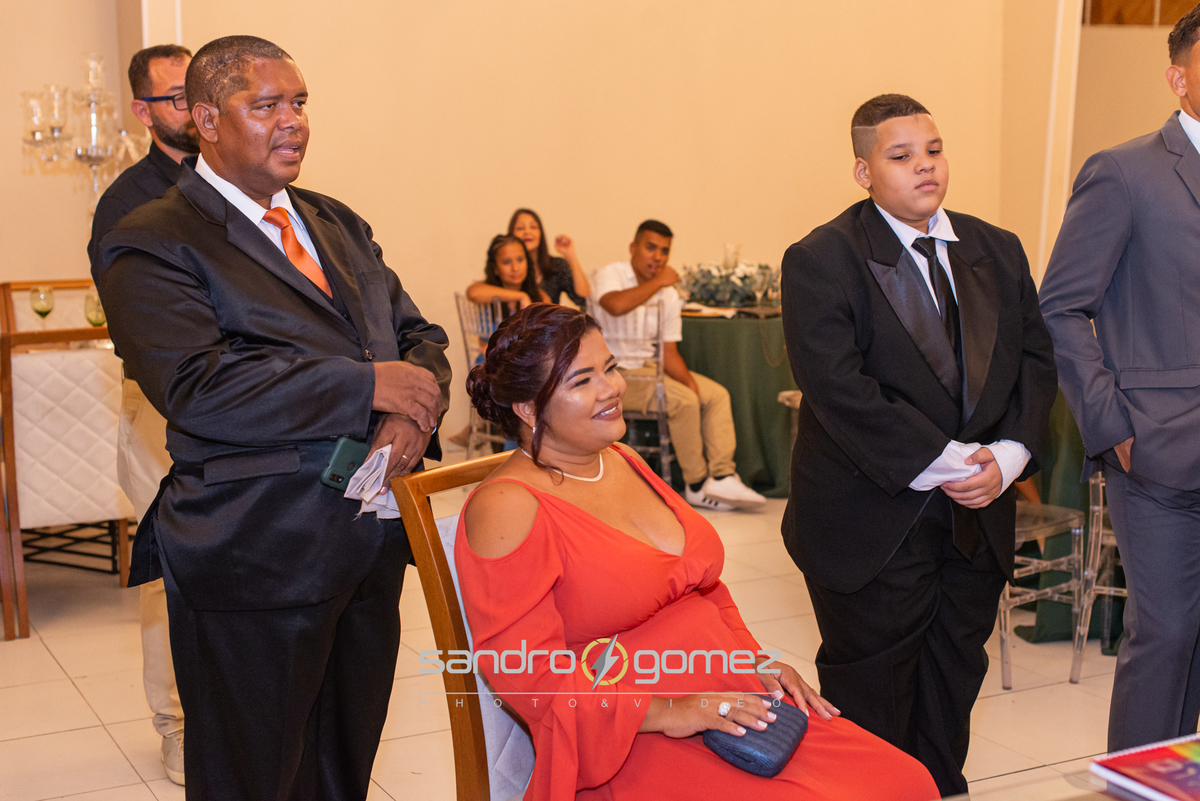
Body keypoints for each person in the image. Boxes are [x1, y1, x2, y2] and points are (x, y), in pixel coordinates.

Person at [92, 35, 451, 799]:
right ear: (206, 121)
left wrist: (411, 417)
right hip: (257, 549)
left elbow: (418, 336)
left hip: (370, 536)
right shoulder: (152, 237)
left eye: (300, 102)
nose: (293, 121)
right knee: (253, 776)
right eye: (266, 105)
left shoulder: (335, 220)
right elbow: (197, 386)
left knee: (342, 765)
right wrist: (367, 388)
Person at [457, 303, 939, 801]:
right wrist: (674, 710)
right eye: (582, 381)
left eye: (610, 368)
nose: (612, 388)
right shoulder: (506, 506)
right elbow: (528, 675)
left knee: (907, 782)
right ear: (528, 409)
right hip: (626, 734)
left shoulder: (620, 458)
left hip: (733, 698)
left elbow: (704, 589)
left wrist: (756, 660)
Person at [780, 94, 1056, 795]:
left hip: (978, 511)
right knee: (874, 691)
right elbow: (837, 386)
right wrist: (953, 460)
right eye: (901, 156)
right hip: (871, 516)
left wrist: (1011, 456)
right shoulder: (823, 258)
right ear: (863, 171)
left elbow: (1035, 360)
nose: (924, 167)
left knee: (954, 674)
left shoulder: (996, 247)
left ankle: (940, 786)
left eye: (933, 150)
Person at [1039, 5, 1200, 753]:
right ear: (1178, 78)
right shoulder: (1125, 172)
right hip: (1158, 448)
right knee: (1165, 635)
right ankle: (1139, 788)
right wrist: (1112, 424)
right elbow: (1061, 306)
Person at [85, 42, 198, 786]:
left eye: (200, 90)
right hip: (164, 403)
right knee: (171, 569)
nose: (194, 106)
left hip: (247, 406)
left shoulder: (241, 182)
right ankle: (177, 728)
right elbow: (139, 327)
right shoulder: (127, 203)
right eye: (177, 96)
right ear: (143, 112)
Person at [589, 220, 766, 512]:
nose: (658, 257)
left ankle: (722, 476)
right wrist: (658, 282)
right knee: (684, 401)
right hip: (613, 375)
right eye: (651, 248)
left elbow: (668, 352)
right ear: (633, 248)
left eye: (664, 251)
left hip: (650, 369)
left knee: (715, 395)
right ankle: (695, 485)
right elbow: (615, 305)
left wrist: (691, 385)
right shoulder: (612, 274)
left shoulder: (669, 295)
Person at [509, 207, 590, 306]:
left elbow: (583, 299)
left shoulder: (556, 265)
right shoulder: (506, 266)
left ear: (541, 233)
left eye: (533, 227)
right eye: (520, 228)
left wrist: (570, 255)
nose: (527, 232)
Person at [466, 233, 548, 311]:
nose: (515, 268)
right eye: (507, 262)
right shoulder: (484, 289)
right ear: (495, 268)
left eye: (520, 260)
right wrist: (521, 296)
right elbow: (473, 293)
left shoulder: (540, 297)